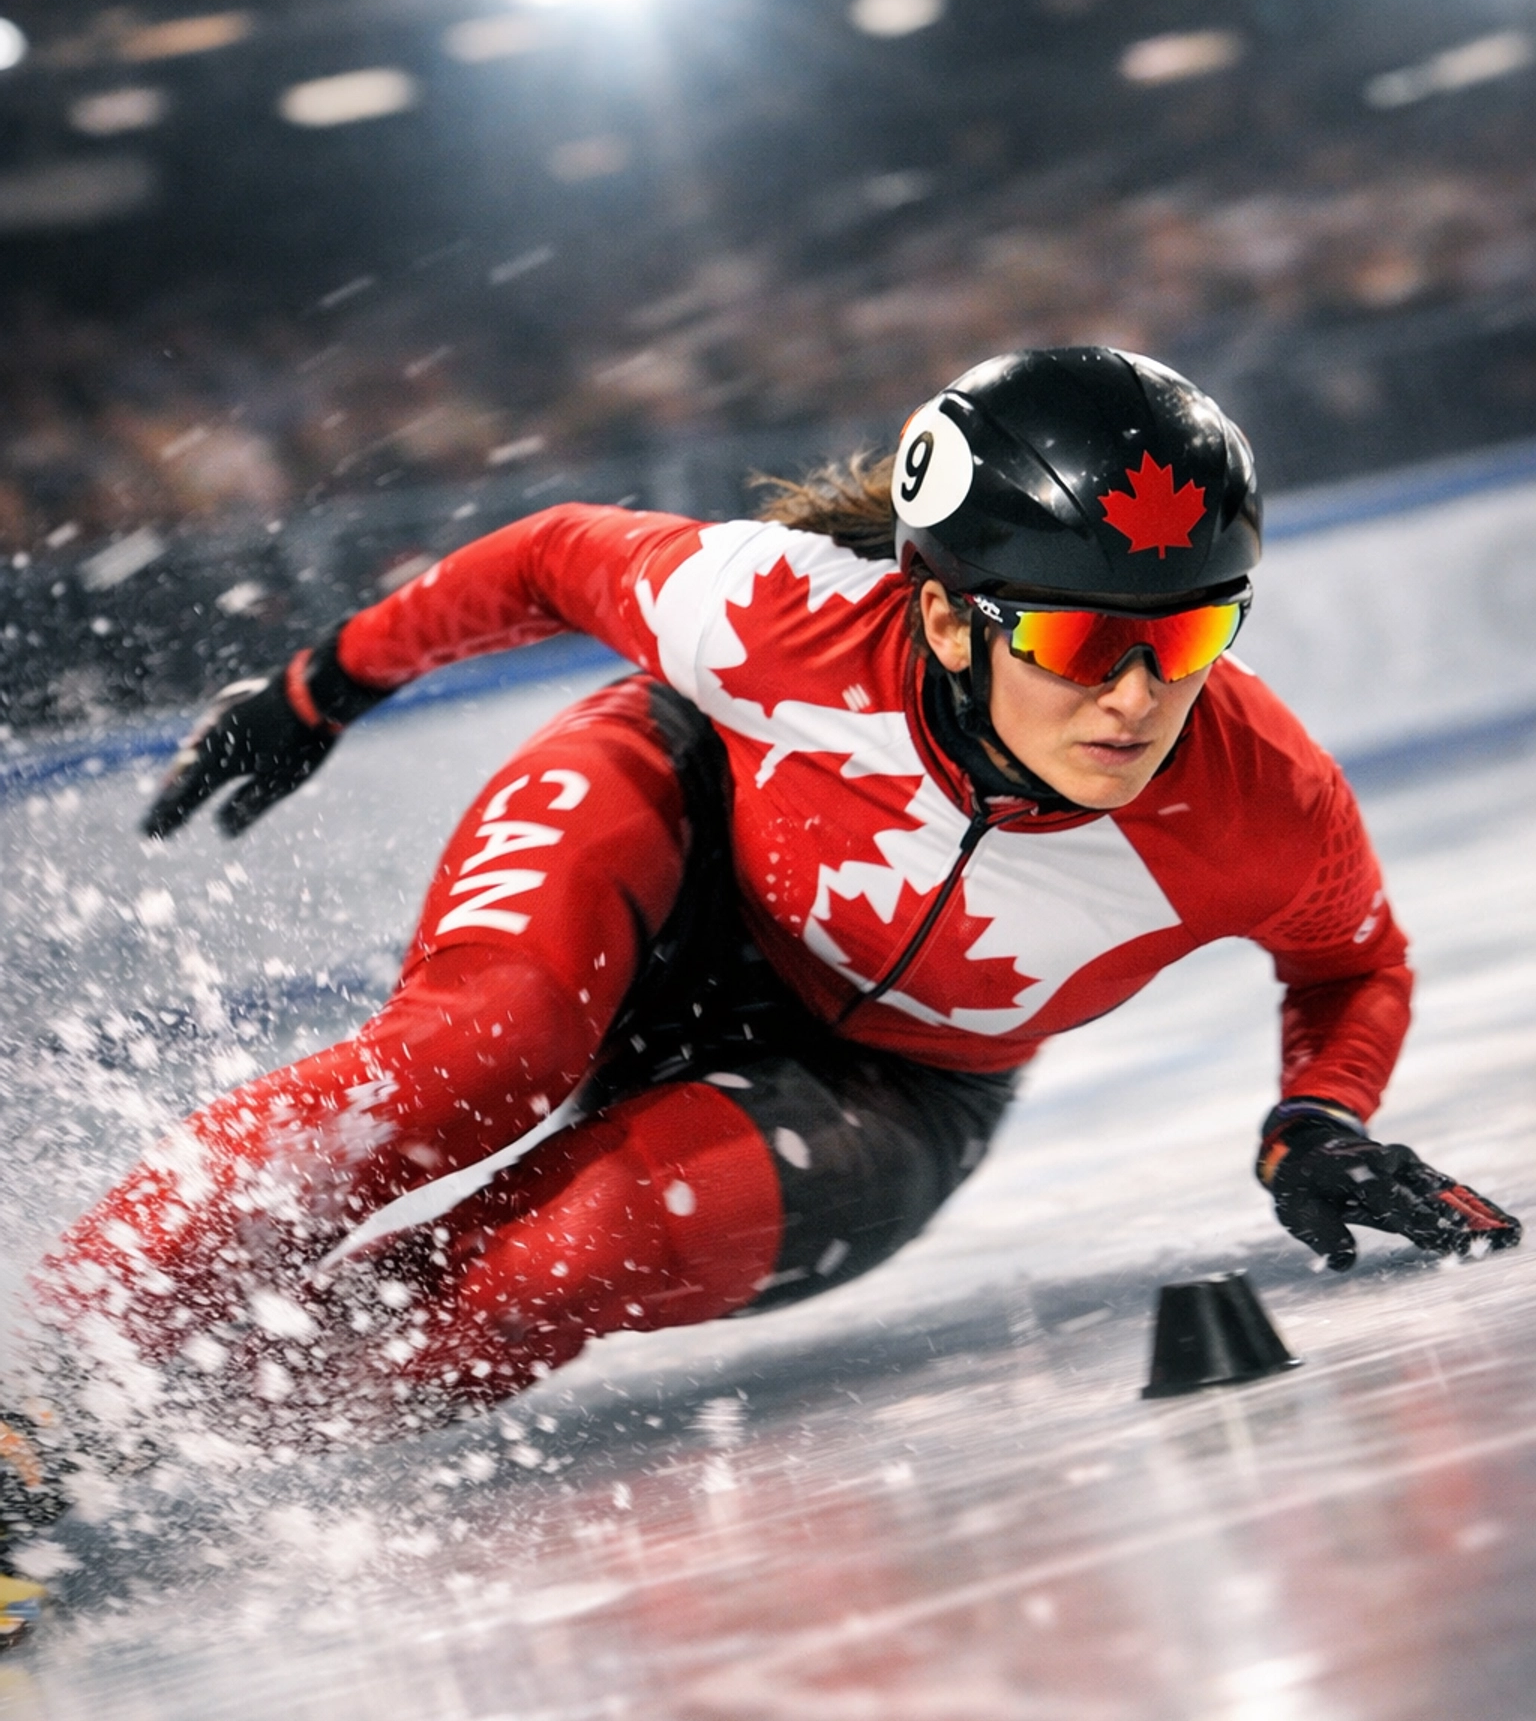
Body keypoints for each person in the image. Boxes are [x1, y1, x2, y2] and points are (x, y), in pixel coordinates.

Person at [9, 347, 1521, 1509]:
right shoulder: (779, 619)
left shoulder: (1262, 801)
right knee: (484, 1049)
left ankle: (120, 1444)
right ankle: (50, 1374)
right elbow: (542, 555)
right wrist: (317, 686)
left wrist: (1314, 1123)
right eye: (1079, 640)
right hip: (681, 839)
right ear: (943, 614)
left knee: (579, 1246)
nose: (1139, 699)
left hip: (897, 1082)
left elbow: (1352, 961)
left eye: (1193, 632)